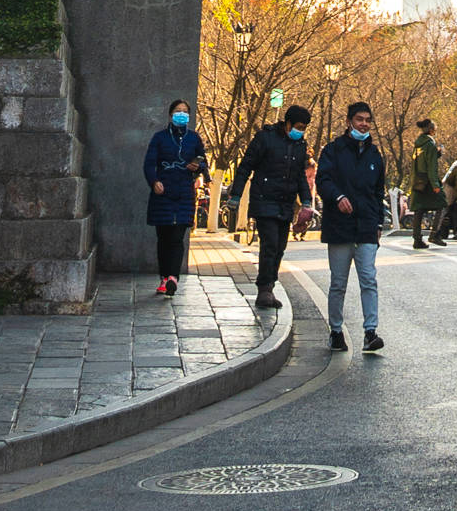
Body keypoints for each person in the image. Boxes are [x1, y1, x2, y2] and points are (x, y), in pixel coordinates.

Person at [226, 98, 315, 309]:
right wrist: (236, 194)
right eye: (298, 127)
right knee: (270, 245)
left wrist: (306, 201)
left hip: (285, 203)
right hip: (264, 199)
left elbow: (300, 177)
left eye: (303, 129)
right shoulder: (265, 139)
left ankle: (269, 287)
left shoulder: (300, 146)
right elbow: (246, 165)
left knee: (280, 247)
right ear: (287, 123)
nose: (300, 132)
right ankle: (264, 289)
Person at [315, 99, 388, 354]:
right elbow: (322, 180)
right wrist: (337, 198)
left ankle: (371, 332)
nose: (364, 124)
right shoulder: (333, 150)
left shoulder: (375, 154)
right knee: (338, 282)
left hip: (367, 226)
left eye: (368, 120)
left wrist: (378, 222)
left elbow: (379, 191)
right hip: (340, 226)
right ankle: (336, 331)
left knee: (369, 279)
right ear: (349, 122)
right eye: (359, 120)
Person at [143, 97, 209, 297]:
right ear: (171, 115)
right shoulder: (159, 138)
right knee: (163, 237)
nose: (182, 114)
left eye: (185, 111)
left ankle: (173, 277)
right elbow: (149, 163)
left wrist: (198, 167)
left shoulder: (194, 138)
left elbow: (203, 162)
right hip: (163, 192)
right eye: (178, 111)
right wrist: (154, 181)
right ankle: (164, 276)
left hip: (184, 193)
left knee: (177, 237)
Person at [407, 117, 448, 250]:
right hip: (428, 182)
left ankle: (417, 239)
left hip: (417, 181)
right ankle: (434, 234)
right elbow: (431, 167)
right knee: (442, 204)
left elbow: (421, 162)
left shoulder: (418, 145)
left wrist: (437, 154)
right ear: (431, 130)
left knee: (419, 210)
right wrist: (435, 185)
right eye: (434, 129)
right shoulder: (430, 145)